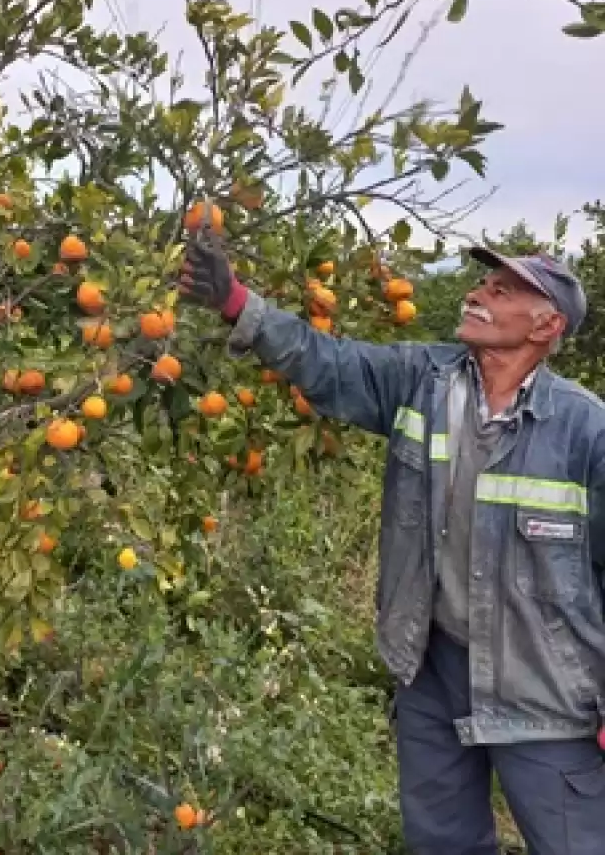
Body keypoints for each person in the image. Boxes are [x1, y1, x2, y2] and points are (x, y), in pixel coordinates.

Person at [180, 231, 605, 855]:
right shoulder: (420, 382)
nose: (476, 294)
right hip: (433, 668)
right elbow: (327, 362)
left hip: (543, 686)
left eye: (502, 290)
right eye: (483, 283)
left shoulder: (584, 429)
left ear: (546, 325)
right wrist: (237, 300)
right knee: (441, 842)